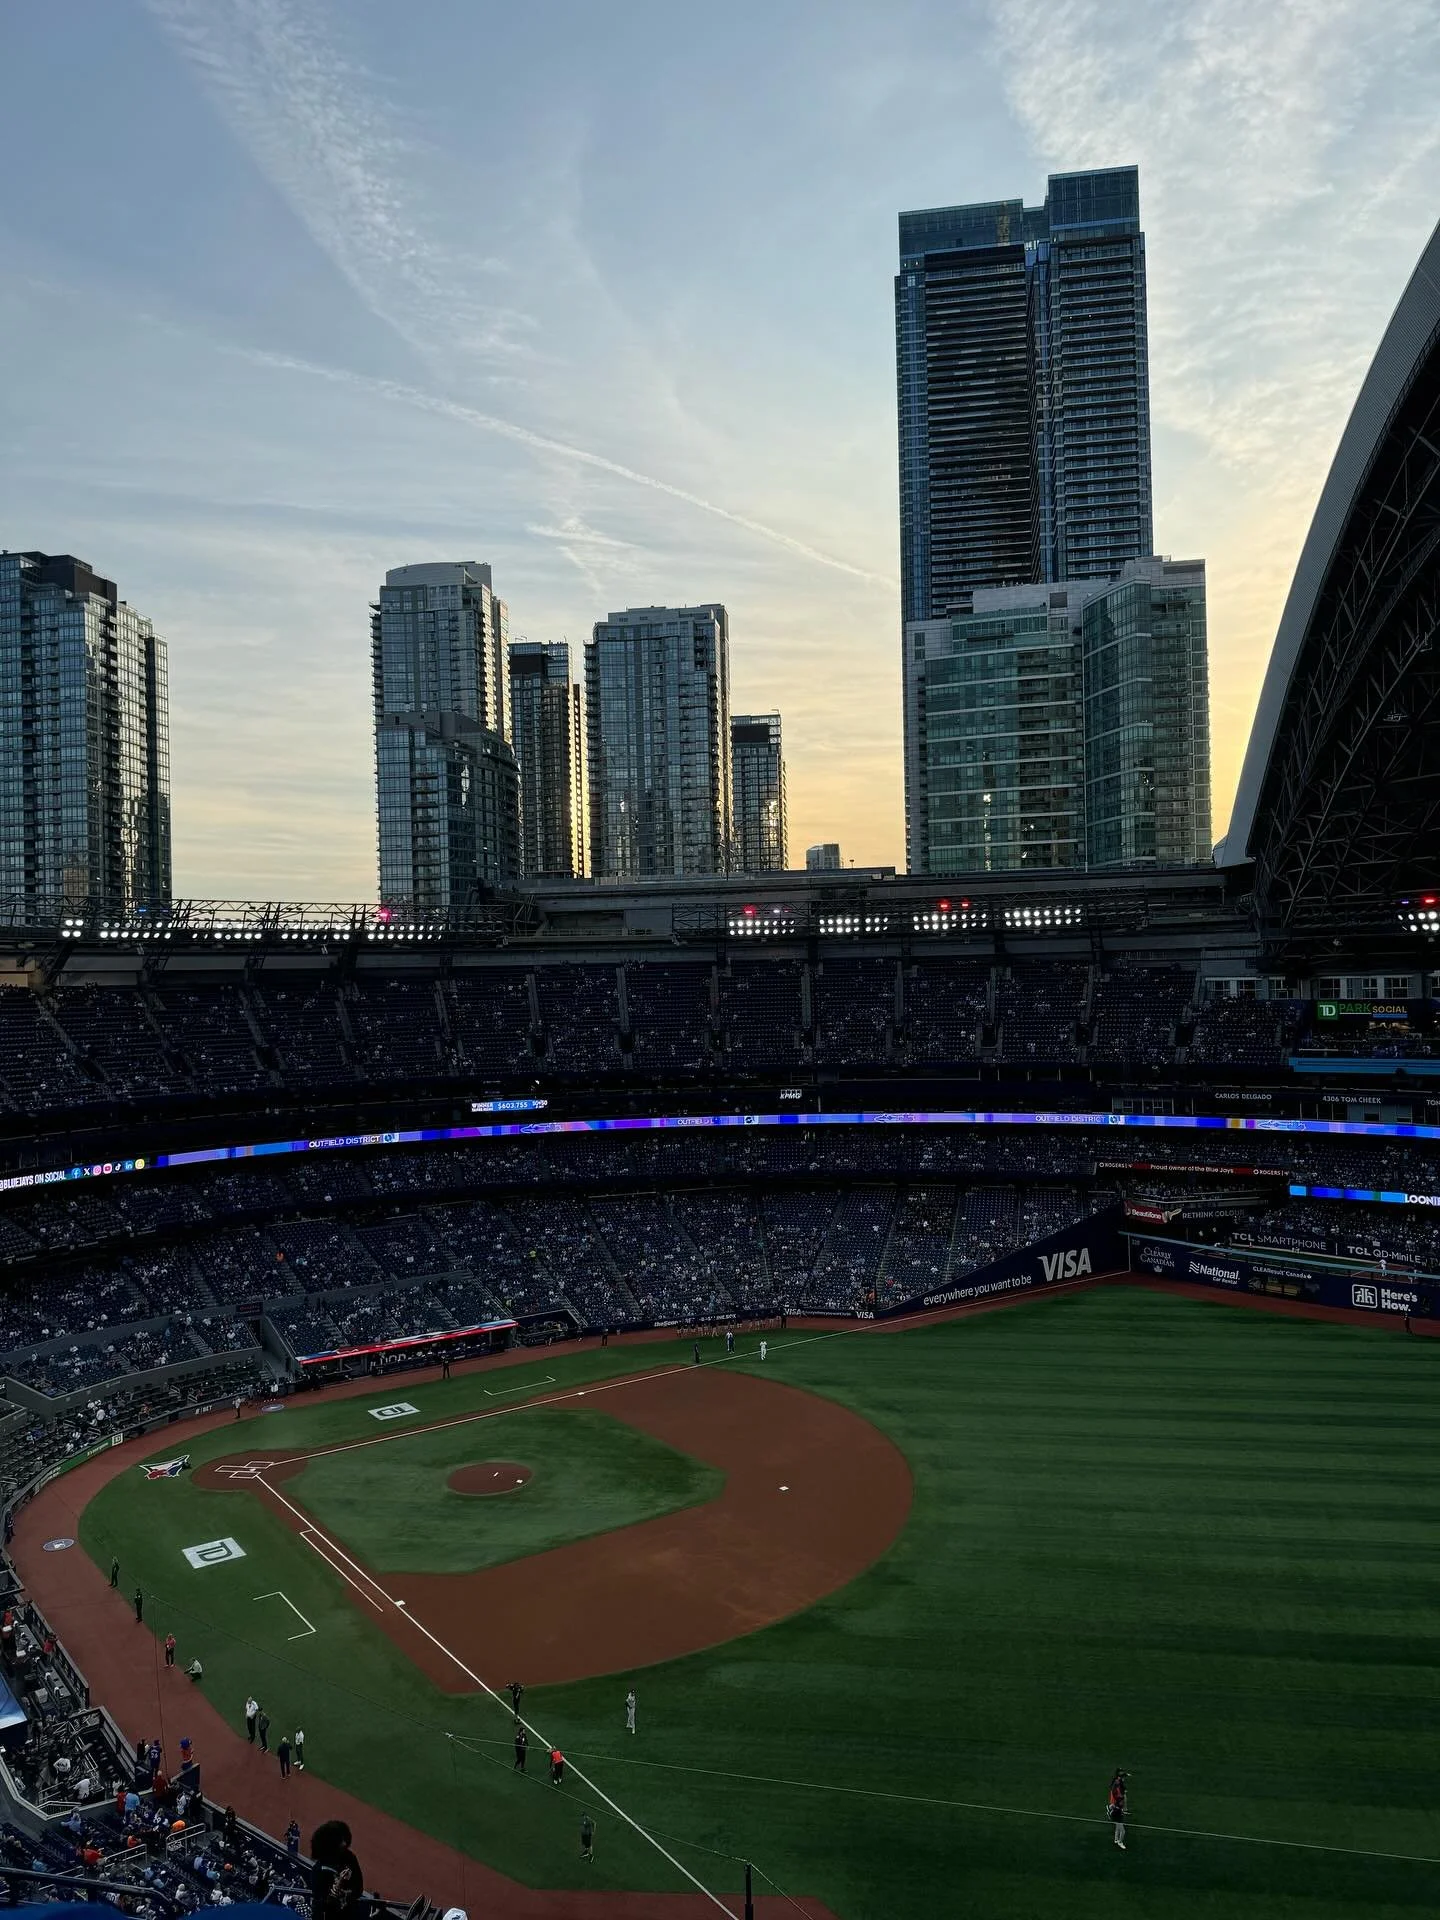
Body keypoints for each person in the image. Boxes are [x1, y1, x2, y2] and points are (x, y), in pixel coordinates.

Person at [310, 1819, 364, 1920]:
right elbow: (323, 1903)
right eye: (340, 1840)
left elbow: (358, 1888)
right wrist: (336, 1890)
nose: (344, 1843)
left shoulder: (350, 1858)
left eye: (344, 1839)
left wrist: (347, 1894)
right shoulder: (319, 1870)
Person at [1107, 1769, 1128, 1850]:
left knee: (1117, 1827)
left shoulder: (1116, 1793)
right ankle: (1120, 1842)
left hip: (1116, 1811)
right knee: (1122, 1831)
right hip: (1117, 1812)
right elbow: (1119, 1804)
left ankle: (1116, 1839)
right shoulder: (1119, 1797)